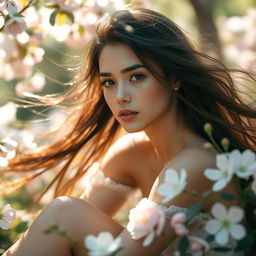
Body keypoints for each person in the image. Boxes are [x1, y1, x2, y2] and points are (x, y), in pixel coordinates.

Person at [2, 8, 256, 256]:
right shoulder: (132, 152)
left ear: (174, 77)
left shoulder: (196, 163)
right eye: (109, 82)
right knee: (63, 215)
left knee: (64, 213)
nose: (120, 97)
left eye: (136, 77)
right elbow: (56, 237)